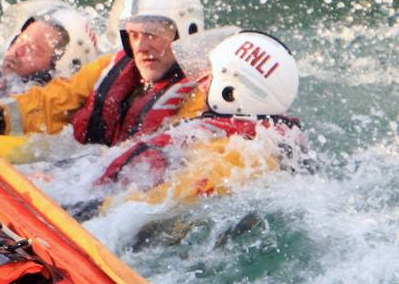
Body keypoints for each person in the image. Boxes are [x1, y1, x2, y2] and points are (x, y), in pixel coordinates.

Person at [0, 0, 205, 143]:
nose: (141, 46)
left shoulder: (205, 97)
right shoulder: (109, 67)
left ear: (187, 32)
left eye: (153, 33)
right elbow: (50, 102)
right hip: (86, 172)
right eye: (133, 33)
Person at [97, 28, 308, 206]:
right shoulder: (260, 142)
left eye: (210, 77)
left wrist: (100, 207)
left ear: (230, 92)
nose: (202, 84)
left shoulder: (232, 155)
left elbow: (160, 204)